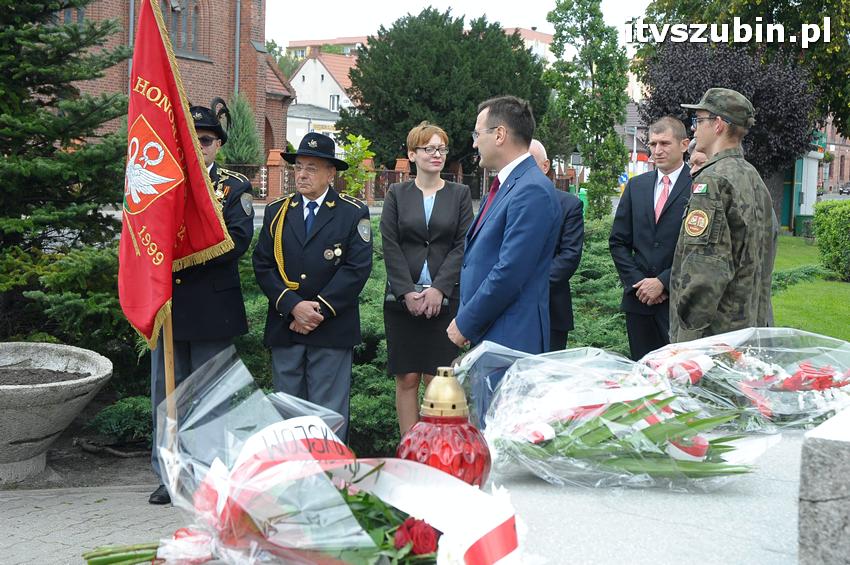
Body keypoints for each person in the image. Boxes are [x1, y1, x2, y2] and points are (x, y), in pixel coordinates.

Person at [148, 100, 254, 504]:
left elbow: (237, 242)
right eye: (191, 138)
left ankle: (210, 474)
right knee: (167, 392)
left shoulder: (233, 187)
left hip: (210, 306)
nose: (199, 145)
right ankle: (169, 472)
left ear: (218, 145)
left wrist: (185, 251)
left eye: (206, 140)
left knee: (210, 393)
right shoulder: (163, 184)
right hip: (169, 304)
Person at [253, 132, 372, 442]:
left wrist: (317, 310)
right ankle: (294, 481)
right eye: (299, 167)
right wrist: (293, 306)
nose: (302, 174)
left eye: (312, 167)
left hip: (331, 327)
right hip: (285, 325)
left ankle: (330, 480)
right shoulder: (277, 211)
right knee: (287, 411)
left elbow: (356, 269)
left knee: (327, 414)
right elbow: (263, 264)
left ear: (331, 173)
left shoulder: (351, 212)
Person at [447, 95, 560, 353]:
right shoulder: (508, 186)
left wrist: (466, 322)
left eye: (477, 134)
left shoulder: (532, 190)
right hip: (492, 331)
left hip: (512, 337)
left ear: (499, 134)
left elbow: (510, 271)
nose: (474, 144)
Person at [380, 121, 473, 435]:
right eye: (429, 148)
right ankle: (410, 450)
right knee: (407, 378)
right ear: (412, 154)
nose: (437, 154)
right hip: (401, 302)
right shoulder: (396, 193)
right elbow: (390, 244)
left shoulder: (460, 194)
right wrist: (407, 292)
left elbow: (462, 244)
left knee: (438, 380)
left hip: (444, 302)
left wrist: (439, 289)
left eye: (442, 148)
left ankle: (437, 449)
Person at [671, 88, 775, 342]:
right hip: (752, 327)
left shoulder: (713, 181)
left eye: (699, 120)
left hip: (716, 340)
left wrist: (685, 341)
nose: (694, 129)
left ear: (718, 124)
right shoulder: (753, 177)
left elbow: (705, 270)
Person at [609, 117, 692, 360]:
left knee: (679, 377)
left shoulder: (699, 187)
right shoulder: (636, 187)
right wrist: (640, 283)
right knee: (643, 376)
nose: (657, 150)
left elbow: (699, 251)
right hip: (640, 302)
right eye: (653, 144)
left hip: (678, 303)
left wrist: (663, 283)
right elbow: (618, 242)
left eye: (665, 143)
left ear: (684, 145)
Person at [529, 139, 584, 352]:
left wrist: (528, 286)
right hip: (507, 311)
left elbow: (569, 256)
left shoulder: (568, 205)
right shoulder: (501, 200)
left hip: (550, 308)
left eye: (530, 163)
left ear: (545, 166)